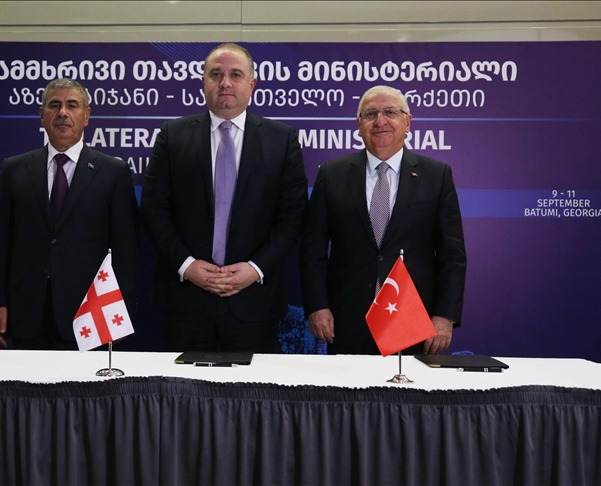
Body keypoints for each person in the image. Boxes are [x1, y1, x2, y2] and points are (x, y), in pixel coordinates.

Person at [141, 43, 308, 353]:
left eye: (236, 75)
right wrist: (187, 265)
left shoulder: (282, 140)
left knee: (252, 385)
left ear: (252, 84)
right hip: (185, 301)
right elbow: (154, 209)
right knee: (182, 386)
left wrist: (255, 268)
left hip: (254, 303)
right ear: (203, 82)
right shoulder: (172, 136)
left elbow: (293, 216)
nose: (225, 83)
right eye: (216, 74)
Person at [300, 85, 466, 355]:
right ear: (359, 124)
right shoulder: (332, 175)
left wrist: (445, 315)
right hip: (347, 321)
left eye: (390, 112)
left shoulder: (436, 176)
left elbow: (452, 255)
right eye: (370, 114)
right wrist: (318, 306)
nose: (380, 121)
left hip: (413, 321)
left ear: (407, 122)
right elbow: (313, 250)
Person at [0, 78, 139, 349]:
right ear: (42, 115)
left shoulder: (113, 173)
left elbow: (127, 251)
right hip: (27, 313)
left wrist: (119, 311)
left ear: (86, 116)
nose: (63, 113)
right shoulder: (14, 170)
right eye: (54, 105)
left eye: (72, 105)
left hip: (90, 313)